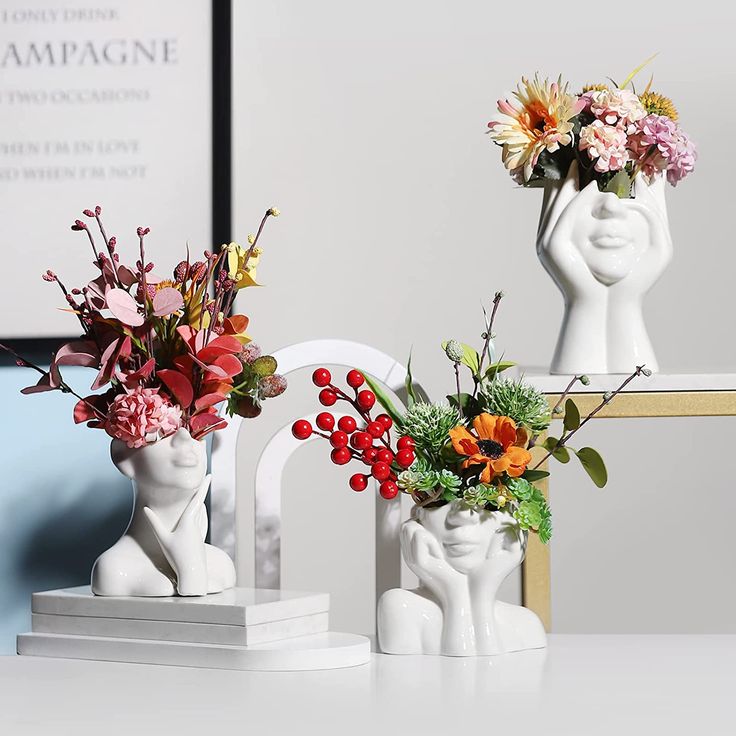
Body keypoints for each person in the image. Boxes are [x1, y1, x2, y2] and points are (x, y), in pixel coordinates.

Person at [377, 500, 546, 656]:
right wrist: (453, 588)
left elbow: (487, 670)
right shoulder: (400, 607)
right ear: (417, 521)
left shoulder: (526, 624)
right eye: (441, 502)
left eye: (488, 504)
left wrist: (483, 589)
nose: (462, 516)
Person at [91, 427, 236, 596]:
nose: (185, 437)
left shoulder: (220, 564)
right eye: (162, 431)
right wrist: (192, 573)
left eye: (194, 428)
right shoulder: (114, 571)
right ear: (124, 456)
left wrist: (191, 567)